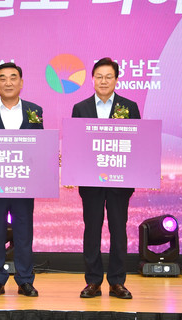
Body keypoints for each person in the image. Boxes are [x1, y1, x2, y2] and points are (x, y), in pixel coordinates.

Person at [71, 57, 140, 300]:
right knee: (92, 230)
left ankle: (117, 282)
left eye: (108, 77)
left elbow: (137, 142)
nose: (103, 81)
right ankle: (93, 281)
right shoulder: (80, 108)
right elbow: (76, 144)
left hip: (120, 182)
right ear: (92, 79)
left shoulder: (129, 107)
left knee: (118, 230)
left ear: (116, 79)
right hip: (91, 182)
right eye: (99, 76)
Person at [0, 62, 43, 297]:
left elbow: (39, 146)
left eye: (13, 78)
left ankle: (25, 280)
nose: (8, 82)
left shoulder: (35, 110)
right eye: (2, 78)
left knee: (24, 232)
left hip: (24, 182)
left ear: (21, 82)